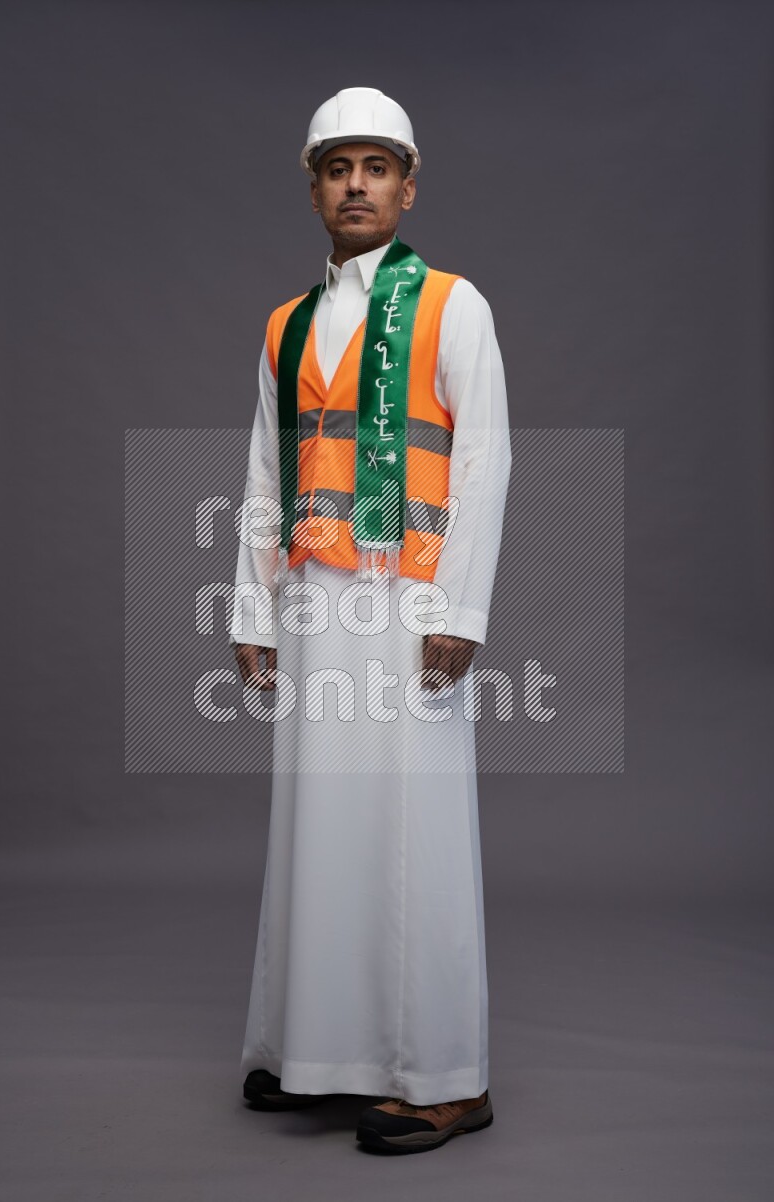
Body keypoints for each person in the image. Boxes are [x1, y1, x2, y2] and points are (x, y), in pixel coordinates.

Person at [229, 86, 512, 1154]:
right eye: (337, 166)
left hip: (410, 600)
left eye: (375, 165)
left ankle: (446, 1075)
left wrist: (463, 607)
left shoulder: (451, 301)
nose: (356, 183)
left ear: (406, 183)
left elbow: (484, 459)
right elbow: (263, 473)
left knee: (417, 834)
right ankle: (322, 1055)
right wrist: (251, 608)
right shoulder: (285, 322)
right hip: (313, 599)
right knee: (319, 827)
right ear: (312, 188)